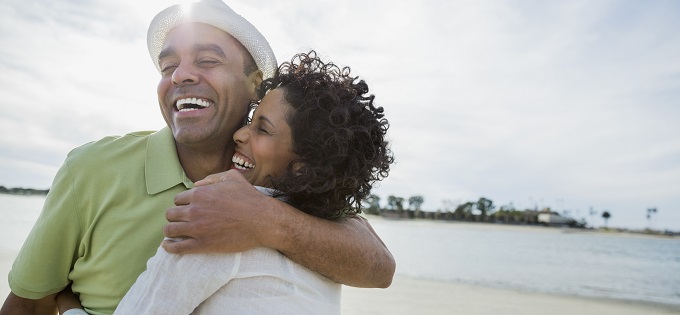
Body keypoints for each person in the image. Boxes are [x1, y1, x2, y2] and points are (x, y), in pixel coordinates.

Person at [0, 1, 395, 314]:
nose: (180, 75)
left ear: (255, 84)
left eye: (207, 60)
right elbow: (27, 304)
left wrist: (263, 220)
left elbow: (379, 265)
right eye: (168, 65)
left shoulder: (279, 186)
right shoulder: (89, 169)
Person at [97, 50, 390, 314]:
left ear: (301, 168)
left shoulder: (218, 216)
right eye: (251, 118)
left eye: (262, 129)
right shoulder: (327, 241)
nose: (240, 134)